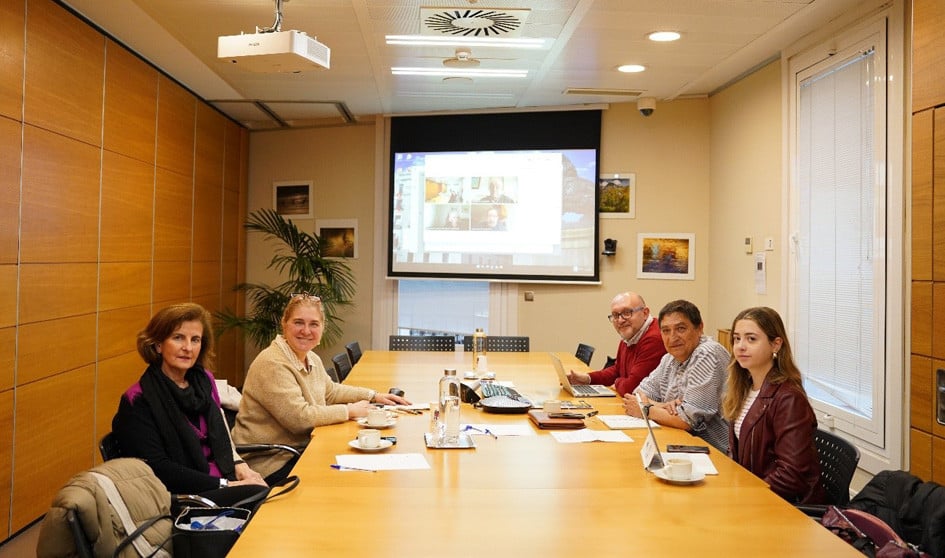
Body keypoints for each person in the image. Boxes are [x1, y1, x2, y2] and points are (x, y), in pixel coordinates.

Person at [232, 294, 411, 480]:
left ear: (322, 328)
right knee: (346, 476)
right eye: (298, 322)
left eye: (314, 324)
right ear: (284, 324)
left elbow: (331, 392)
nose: (306, 331)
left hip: (300, 449)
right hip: (271, 462)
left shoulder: (310, 357)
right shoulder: (272, 363)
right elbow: (299, 418)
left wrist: (374, 396)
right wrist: (350, 411)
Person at [111, 303, 269, 505]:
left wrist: (239, 465)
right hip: (186, 496)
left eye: (195, 340)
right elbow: (159, 469)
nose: (188, 348)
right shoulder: (138, 400)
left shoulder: (204, 381)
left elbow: (221, 437)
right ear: (158, 344)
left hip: (222, 477)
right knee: (264, 498)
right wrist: (225, 485)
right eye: (178, 338)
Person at [722, 307, 826, 504]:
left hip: (783, 505)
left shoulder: (788, 398)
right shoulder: (745, 388)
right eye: (737, 339)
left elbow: (791, 475)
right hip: (753, 491)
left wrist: (743, 497)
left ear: (776, 344)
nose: (741, 346)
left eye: (751, 339)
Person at [624, 300, 730, 452]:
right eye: (666, 331)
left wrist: (646, 409)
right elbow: (637, 394)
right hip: (683, 446)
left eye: (680, 328)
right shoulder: (669, 358)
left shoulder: (707, 353)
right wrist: (662, 406)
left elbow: (687, 420)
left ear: (699, 328)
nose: (672, 337)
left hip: (719, 454)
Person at [567, 291, 666, 396]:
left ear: (645, 313)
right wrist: (587, 378)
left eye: (627, 313)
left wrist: (617, 382)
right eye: (615, 315)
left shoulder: (654, 339)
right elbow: (617, 370)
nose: (620, 320)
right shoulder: (631, 334)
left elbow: (632, 388)